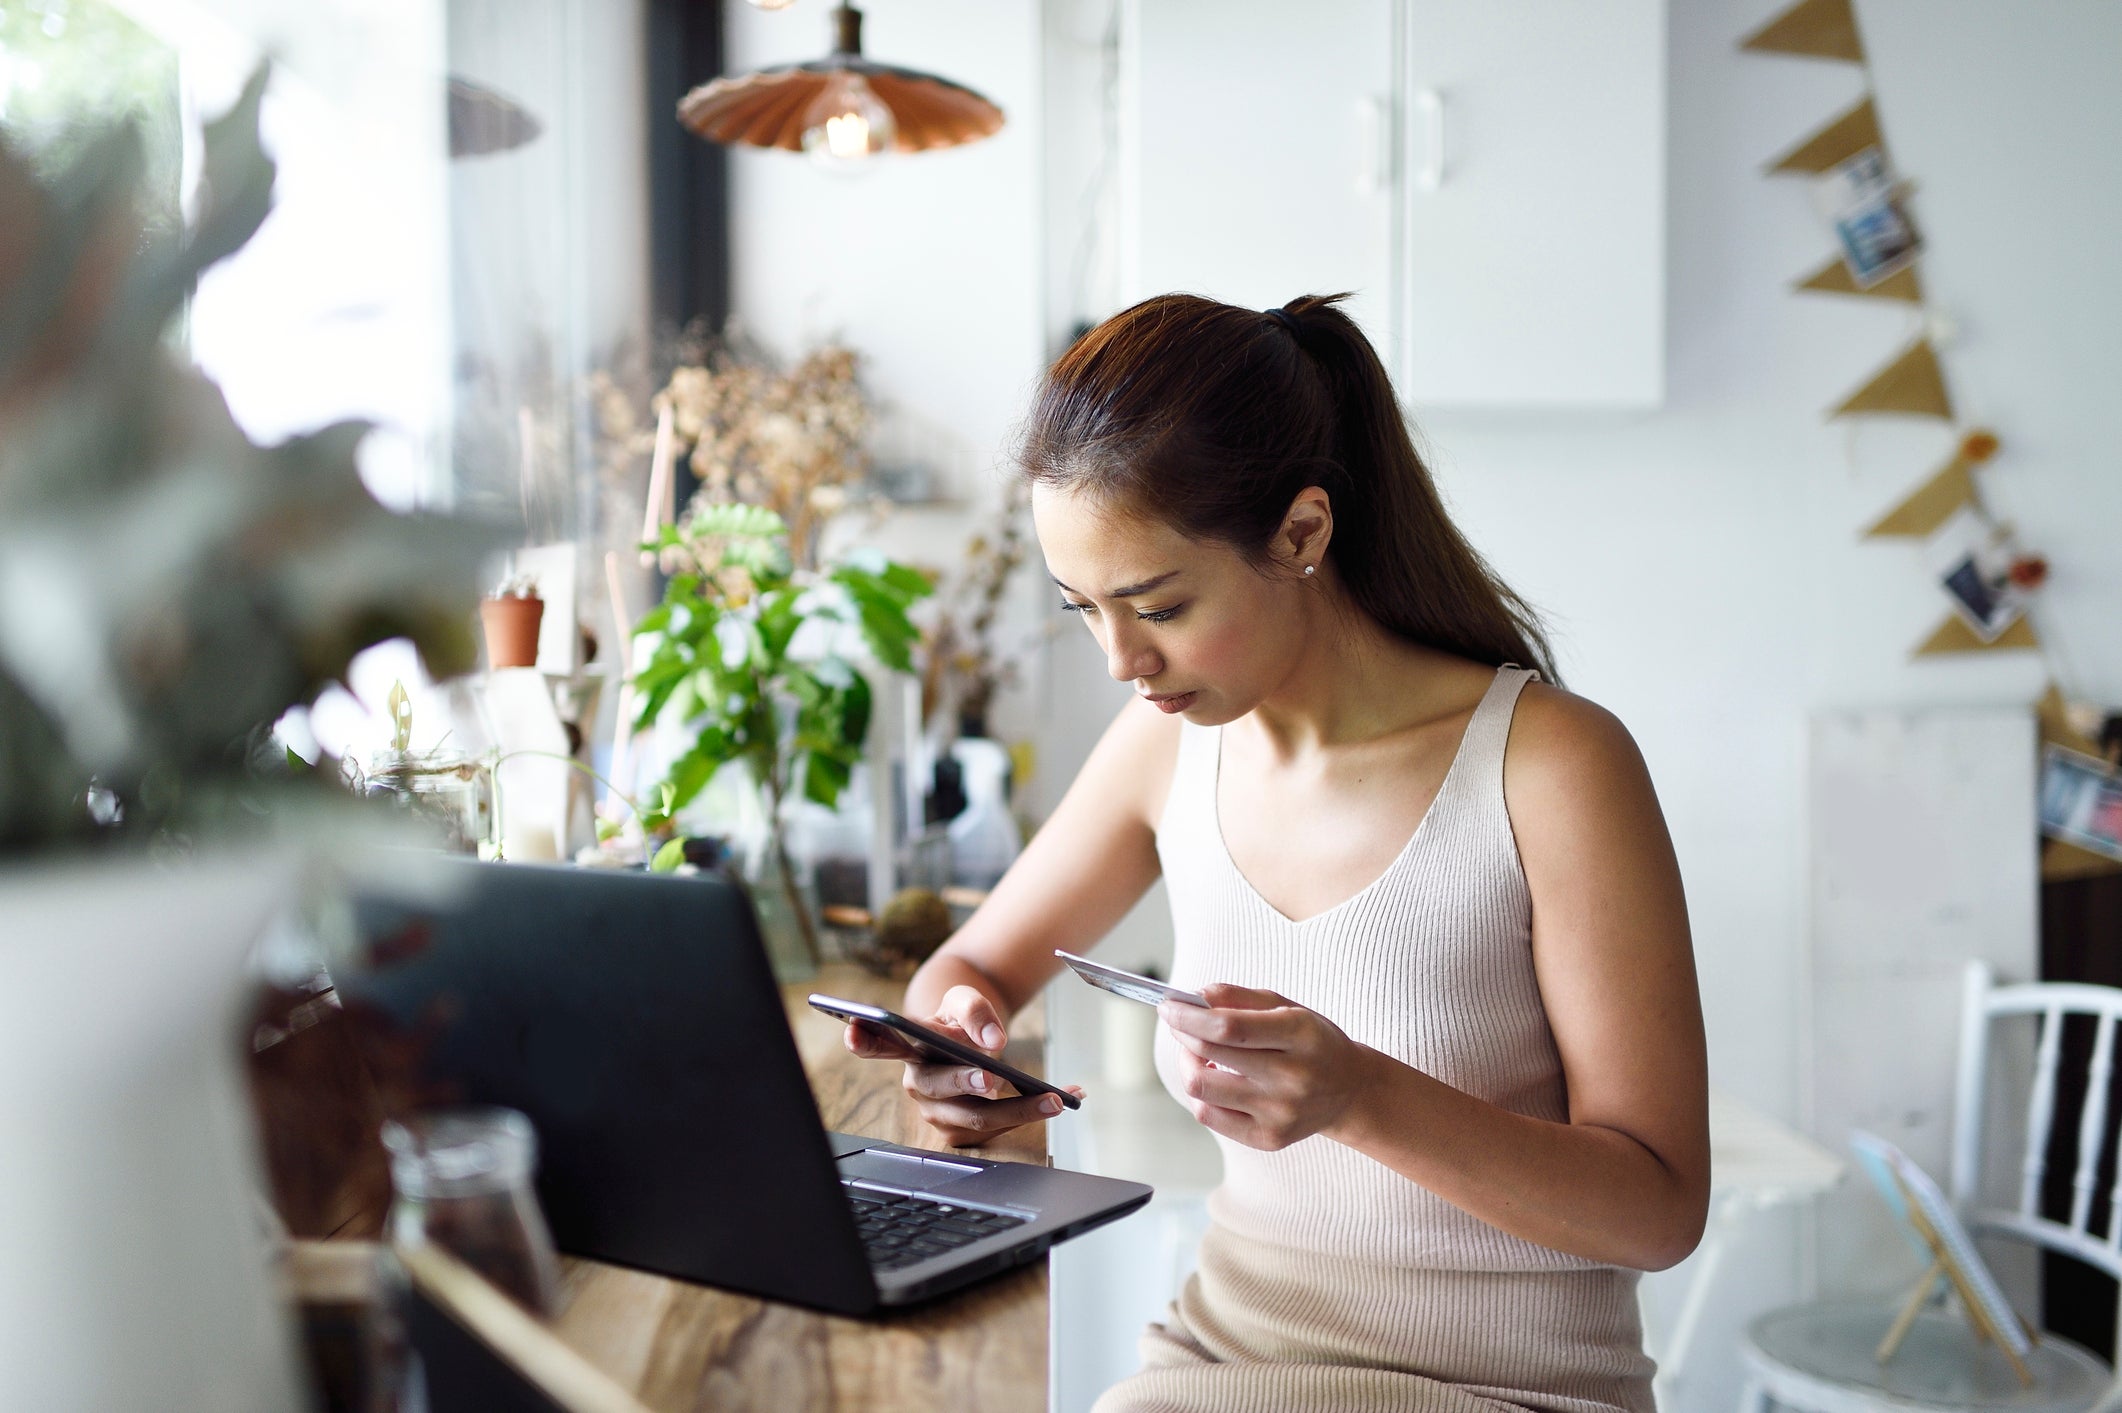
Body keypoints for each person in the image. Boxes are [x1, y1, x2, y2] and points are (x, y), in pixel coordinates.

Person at [843, 293, 1707, 1412]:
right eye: (1083, 610)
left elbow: (1658, 1210)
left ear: (1301, 533)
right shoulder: (1165, 750)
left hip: (1512, 1391)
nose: (1122, 661)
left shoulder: (1551, 765)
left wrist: (1359, 1097)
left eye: (1156, 604)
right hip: (1223, 1363)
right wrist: (961, 1050)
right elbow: (971, 971)